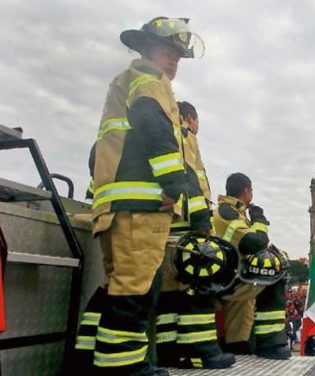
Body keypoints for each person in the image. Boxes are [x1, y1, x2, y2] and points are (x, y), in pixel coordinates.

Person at [71, 16, 206, 376]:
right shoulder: (149, 82)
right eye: (167, 52)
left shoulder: (124, 82)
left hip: (118, 206)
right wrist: (174, 186)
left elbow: (101, 150)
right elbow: (153, 127)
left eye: (178, 56)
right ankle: (123, 368)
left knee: (115, 286)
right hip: (140, 208)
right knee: (134, 289)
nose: (174, 62)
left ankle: (88, 358)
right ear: (146, 50)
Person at [154, 101, 235, 369]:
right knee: (196, 286)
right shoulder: (183, 134)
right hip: (186, 224)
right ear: (190, 117)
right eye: (197, 121)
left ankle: (167, 351)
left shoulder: (156, 131)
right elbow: (192, 181)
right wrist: (202, 221)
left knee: (167, 294)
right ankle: (200, 351)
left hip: (162, 225)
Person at [213, 173, 291, 359]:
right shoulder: (226, 211)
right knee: (272, 275)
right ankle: (271, 342)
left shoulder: (234, 212)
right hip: (225, 279)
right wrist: (260, 221)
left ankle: (238, 344)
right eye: (252, 190)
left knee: (245, 302)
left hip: (230, 275)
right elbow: (255, 242)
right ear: (246, 190)